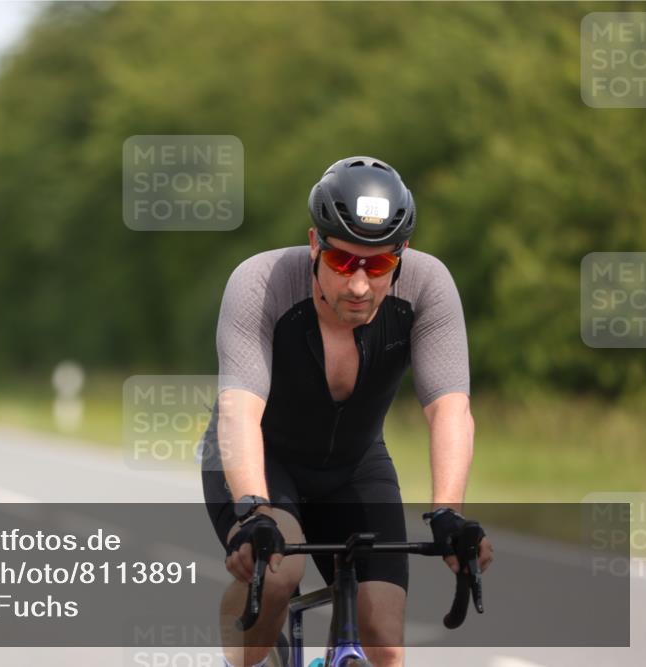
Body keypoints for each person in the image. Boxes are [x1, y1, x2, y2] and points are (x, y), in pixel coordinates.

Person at [200, 156, 494, 667]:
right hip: (263, 459)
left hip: (355, 465)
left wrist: (449, 513)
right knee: (278, 575)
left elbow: (450, 409)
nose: (359, 285)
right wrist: (254, 510)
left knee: (385, 642)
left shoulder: (428, 286)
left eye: (377, 266)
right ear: (315, 244)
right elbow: (238, 411)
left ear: (402, 255)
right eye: (342, 262)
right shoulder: (261, 283)